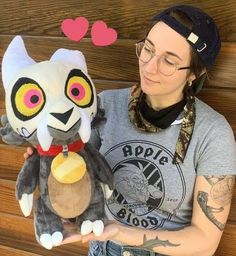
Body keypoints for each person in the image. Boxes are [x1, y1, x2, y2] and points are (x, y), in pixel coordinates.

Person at [25, 5, 236, 256]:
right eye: (148, 49)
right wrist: (51, 164)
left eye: (169, 61)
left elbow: (205, 242)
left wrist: (121, 232)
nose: (149, 66)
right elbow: (82, 178)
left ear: (195, 73)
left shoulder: (213, 133)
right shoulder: (104, 106)